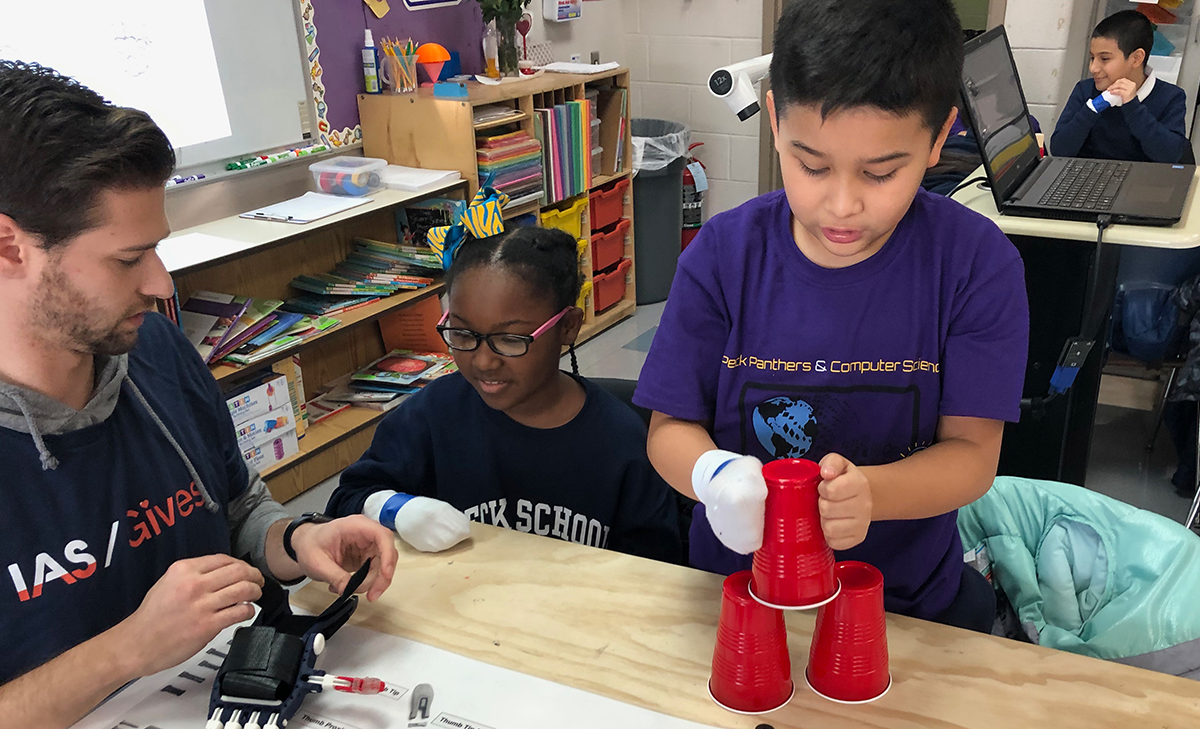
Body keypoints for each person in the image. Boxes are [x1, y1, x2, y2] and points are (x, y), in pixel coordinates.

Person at [0, 62, 399, 727]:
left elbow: (234, 503)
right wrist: (125, 649)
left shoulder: (153, 351)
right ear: (9, 245)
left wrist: (297, 537)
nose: (160, 283)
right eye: (128, 259)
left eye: (157, 249)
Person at [633, 0, 1029, 632]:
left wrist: (874, 494)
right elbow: (668, 429)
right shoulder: (722, 257)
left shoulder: (976, 265)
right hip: (735, 599)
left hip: (901, 609)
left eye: (881, 172)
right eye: (811, 164)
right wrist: (715, 473)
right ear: (773, 119)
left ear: (940, 136)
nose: (841, 205)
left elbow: (973, 457)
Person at [327, 226, 681, 564]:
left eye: (511, 340)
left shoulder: (623, 441)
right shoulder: (434, 413)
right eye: (463, 334)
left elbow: (660, 567)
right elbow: (347, 500)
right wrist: (397, 508)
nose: (483, 361)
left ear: (568, 326)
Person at [1051, 10, 1188, 164]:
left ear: (1136, 59)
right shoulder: (1085, 90)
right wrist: (1092, 109)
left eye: (1104, 58)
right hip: (1090, 178)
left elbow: (1170, 156)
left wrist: (1133, 108)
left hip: (1142, 181)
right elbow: (1059, 150)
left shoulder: (1170, 96)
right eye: (1092, 58)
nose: (1093, 68)